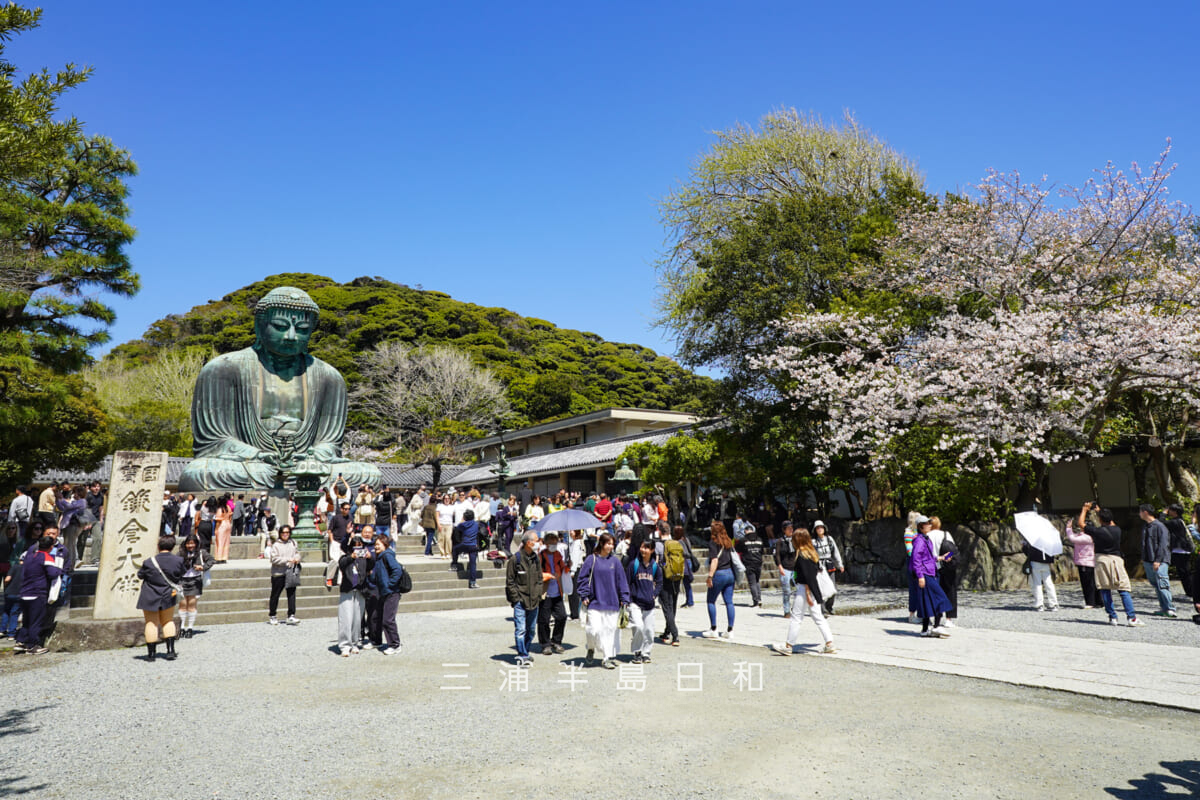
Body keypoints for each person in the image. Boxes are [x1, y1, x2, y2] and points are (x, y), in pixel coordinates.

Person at [177, 287, 382, 492]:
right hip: (252, 464)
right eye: (280, 326)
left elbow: (330, 443)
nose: (291, 336)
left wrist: (314, 456)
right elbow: (214, 441)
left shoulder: (329, 377)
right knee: (200, 472)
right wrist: (256, 454)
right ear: (259, 326)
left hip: (307, 466)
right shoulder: (224, 368)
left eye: (302, 328)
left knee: (368, 474)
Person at [772, 526, 838, 655]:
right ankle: (829, 643)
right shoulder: (812, 553)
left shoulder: (802, 556)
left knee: (796, 617)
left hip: (804, 590)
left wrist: (808, 594)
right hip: (811, 590)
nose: (792, 540)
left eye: (794, 538)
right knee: (818, 617)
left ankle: (788, 645)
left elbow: (808, 578)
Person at [1080, 503, 1143, 626]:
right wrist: (1100, 511)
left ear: (1100, 520)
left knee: (1105, 589)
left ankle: (1112, 617)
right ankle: (1131, 617)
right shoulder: (1117, 530)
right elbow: (1110, 522)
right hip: (1116, 560)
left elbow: (1081, 524)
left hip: (1101, 560)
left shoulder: (1097, 531)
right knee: (1123, 589)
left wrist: (1084, 509)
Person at [576, 532, 629, 669]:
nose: (611, 546)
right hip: (595, 601)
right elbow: (582, 578)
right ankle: (591, 648)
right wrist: (584, 595)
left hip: (612, 602)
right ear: (602, 544)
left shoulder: (615, 561)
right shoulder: (591, 559)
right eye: (608, 543)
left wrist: (624, 598)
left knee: (610, 632)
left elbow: (621, 581)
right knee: (593, 630)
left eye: (612, 544)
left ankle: (607, 658)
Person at [12, 533, 63, 655]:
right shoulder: (46, 557)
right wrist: (59, 569)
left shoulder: (29, 557)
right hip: (37, 593)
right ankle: (33, 645)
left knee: (27, 620)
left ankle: (21, 641)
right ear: (51, 547)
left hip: (24, 592)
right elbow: (52, 573)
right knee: (36, 621)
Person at [136, 535, 185, 661]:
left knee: (151, 623)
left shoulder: (149, 562)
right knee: (168, 621)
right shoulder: (178, 561)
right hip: (168, 593)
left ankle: (151, 655)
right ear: (173, 547)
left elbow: (140, 575)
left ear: (158, 546)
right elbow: (182, 574)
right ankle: (170, 651)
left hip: (150, 594)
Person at [506, 530, 545, 667]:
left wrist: (539, 593)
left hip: (534, 600)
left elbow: (540, 578)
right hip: (520, 600)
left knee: (531, 629)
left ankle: (526, 652)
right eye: (536, 540)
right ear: (529, 543)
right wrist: (516, 599)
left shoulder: (535, 558)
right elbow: (510, 581)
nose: (538, 543)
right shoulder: (515, 559)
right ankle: (522, 654)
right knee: (521, 629)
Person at [910, 516, 953, 637]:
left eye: (930, 523)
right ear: (920, 526)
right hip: (925, 574)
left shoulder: (925, 539)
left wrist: (941, 558)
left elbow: (927, 558)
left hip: (928, 572)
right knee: (940, 598)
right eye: (926, 523)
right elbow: (916, 559)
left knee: (926, 601)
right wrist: (920, 576)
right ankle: (937, 626)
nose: (929, 525)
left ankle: (924, 630)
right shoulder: (919, 541)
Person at [626, 539, 663, 664]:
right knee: (638, 626)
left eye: (647, 548)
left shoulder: (655, 566)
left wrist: (654, 594)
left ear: (652, 550)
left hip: (649, 604)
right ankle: (637, 651)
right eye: (642, 547)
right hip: (635, 602)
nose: (643, 550)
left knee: (649, 630)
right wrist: (626, 599)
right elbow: (627, 582)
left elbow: (659, 582)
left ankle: (646, 653)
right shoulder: (634, 565)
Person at [337, 534, 372, 656]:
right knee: (346, 618)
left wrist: (370, 558)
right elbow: (342, 564)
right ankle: (344, 645)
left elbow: (371, 567)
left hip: (360, 590)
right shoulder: (345, 557)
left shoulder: (364, 559)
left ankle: (355, 642)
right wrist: (351, 557)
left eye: (360, 546)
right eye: (355, 546)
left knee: (357, 619)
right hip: (348, 590)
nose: (357, 549)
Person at [701, 521, 737, 639]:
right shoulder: (728, 541)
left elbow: (714, 560)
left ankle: (713, 628)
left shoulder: (713, 542)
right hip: (730, 572)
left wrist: (710, 576)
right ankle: (730, 630)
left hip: (719, 573)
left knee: (711, 601)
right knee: (729, 602)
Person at [1139, 504, 1177, 617]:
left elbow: (1163, 544)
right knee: (1156, 584)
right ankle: (1164, 607)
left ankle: (1170, 608)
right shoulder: (1146, 526)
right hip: (1148, 559)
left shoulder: (1160, 526)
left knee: (1162, 583)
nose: (1139, 514)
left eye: (1140, 512)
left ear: (1145, 512)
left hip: (1159, 560)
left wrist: (1158, 560)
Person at [369, 532, 403, 655]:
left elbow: (397, 570)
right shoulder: (379, 558)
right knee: (378, 618)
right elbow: (374, 577)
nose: (376, 547)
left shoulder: (387, 555)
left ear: (385, 545)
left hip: (391, 592)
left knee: (388, 620)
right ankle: (380, 641)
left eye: (378, 544)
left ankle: (395, 644)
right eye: (375, 545)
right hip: (384, 592)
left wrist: (390, 584)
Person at [177, 535, 214, 639]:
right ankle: (182, 627)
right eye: (188, 543)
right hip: (182, 580)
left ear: (196, 544)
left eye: (192, 543)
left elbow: (211, 560)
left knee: (192, 604)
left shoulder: (201, 552)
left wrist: (202, 567)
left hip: (195, 580)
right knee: (183, 604)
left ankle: (190, 628)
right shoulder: (180, 553)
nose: (190, 545)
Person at [537, 532, 568, 655]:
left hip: (557, 591)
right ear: (545, 543)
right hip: (546, 591)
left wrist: (567, 567)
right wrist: (547, 576)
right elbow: (537, 572)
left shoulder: (558, 555)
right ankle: (545, 644)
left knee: (562, 616)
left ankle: (556, 640)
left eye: (555, 543)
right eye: (551, 543)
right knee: (544, 619)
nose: (554, 545)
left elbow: (562, 568)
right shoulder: (541, 556)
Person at [927, 516, 958, 625]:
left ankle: (929, 618)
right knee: (950, 591)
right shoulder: (946, 534)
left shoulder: (926, 536)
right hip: (945, 566)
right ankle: (949, 619)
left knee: (931, 593)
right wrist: (947, 557)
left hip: (931, 567)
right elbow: (953, 550)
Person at [268, 525, 301, 625]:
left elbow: (297, 553)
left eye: (287, 532)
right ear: (280, 534)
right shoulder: (276, 545)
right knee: (275, 594)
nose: (285, 534)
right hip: (278, 573)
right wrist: (287, 560)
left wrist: (297, 558)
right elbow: (274, 559)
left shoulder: (293, 543)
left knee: (291, 594)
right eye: (283, 533)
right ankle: (272, 615)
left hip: (291, 571)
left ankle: (291, 615)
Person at [811, 520, 844, 615]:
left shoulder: (829, 539)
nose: (820, 529)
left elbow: (836, 552)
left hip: (829, 564)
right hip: (819, 567)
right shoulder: (813, 542)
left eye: (821, 527)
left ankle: (829, 607)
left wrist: (840, 564)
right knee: (821, 588)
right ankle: (822, 608)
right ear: (815, 530)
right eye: (818, 528)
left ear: (824, 529)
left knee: (833, 588)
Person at [1064, 517, 1098, 609]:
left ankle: (1090, 602)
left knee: (1087, 583)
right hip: (1090, 562)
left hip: (1085, 562)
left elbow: (1072, 539)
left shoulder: (1087, 537)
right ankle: (1098, 601)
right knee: (1093, 583)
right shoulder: (1091, 535)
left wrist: (1068, 528)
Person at [1164, 503, 1193, 599]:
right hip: (1183, 550)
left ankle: (1190, 593)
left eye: (1170, 510)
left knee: (1184, 573)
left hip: (1180, 550)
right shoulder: (1180, 521)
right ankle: (1190, 592)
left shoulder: (1175, 522)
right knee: (1185, 572)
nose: (1169, 512)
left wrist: (1163, 514)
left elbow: (1162, 522)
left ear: (1175, 512)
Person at [450, 509, 482, 589]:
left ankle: (454, 564)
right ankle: (473, 582)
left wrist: (462, 520)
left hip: (464, 544)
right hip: (474, 546)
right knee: (473, 564)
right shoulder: (476, 524)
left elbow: (457, 528)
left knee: (455, 549)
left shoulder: (462, 525)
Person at [1022, 541, 1058, 612]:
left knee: (1037, 583)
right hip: (1046, 563)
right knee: (1049, 583)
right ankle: (1053, 604)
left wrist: (1024, 546)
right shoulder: (1049, 540)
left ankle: (1039, 604)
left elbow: (1028, 553)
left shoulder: (1033, 539)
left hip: (1035, 562)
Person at [735, 523, 765, 608]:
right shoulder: (760, 539)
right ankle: (759, 599)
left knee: (752, 583)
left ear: (745, 531)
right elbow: (762, 551)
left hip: (749, 563)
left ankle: (756, 601)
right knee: (757, 581)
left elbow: (737, 550)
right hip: (758, 562)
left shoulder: (743, 540)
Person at [773, 520, 797, 617]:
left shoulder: (795, 540)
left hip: (795, 569)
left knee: (800, 589)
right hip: (785, 568)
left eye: (792, 528)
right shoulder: (780, 541)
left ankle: (795, 607)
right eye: (788, 528)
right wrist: (780, 566)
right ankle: (787, 610)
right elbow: (777, 555)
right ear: (784, 530)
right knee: (787, 590)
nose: (791, 530)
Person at [213, 494, 233, 563]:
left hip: (222, 525)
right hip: (227, 524)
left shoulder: (220, 509)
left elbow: (218, 520)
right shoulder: (228, 507)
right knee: (226, 541)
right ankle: (224, 557)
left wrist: (216, 529)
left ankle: (219, 557)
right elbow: (230, 516)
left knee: (220, 541)